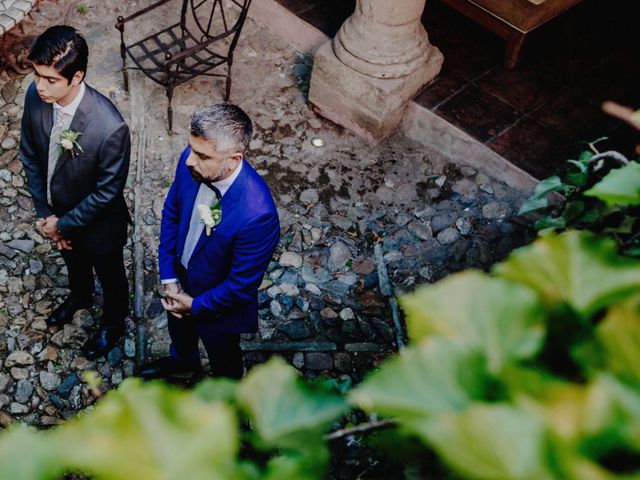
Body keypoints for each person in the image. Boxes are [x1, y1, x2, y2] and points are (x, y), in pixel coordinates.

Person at [138, 104, 280, 380]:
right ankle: (183, 362)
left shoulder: (257, 215)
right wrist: (169, 277)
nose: (190, 160)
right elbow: (172, 213)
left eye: (202, 155)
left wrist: (194, 305)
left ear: (233, 160)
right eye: (191, 148)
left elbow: (241, 285)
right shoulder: (190, 163)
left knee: (224, 358)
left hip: (217, 309)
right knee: (179, 333)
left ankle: (228, 403)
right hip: (179, 279)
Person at [19, 26, 131, 360]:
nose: (40, 86)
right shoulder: (34, 96)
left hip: (98, 224)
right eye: (37, 75)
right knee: (73, 261)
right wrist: (45, 215)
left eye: (51, 79)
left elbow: (107, 192)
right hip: (55, 212)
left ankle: (113, 323)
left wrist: (64, 225)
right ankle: (80, 297)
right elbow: (29, 154)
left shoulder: (110, 127)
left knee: (110, 276)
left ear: (77, 76)